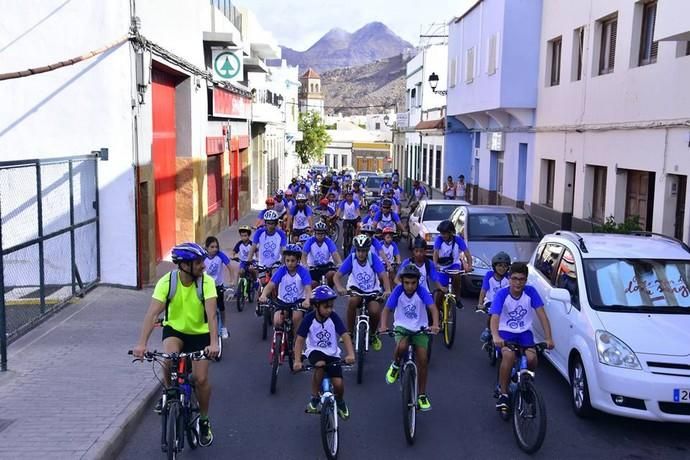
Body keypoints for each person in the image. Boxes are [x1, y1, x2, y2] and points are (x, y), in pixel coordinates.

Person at [132, 242, 219, 447]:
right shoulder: (167, 282)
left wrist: (214, 343)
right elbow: (152, 314)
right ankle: (170, 392)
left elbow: (212, 315)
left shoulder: (206, 283)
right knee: (168, 360)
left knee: (200, 378)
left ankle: (204, 420)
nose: (203, 266)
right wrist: (141, 344)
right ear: (184, 265)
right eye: (198, 263)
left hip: (200, 334)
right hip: (175, 331)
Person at [490, 262, 554, 411]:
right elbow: (494, 317)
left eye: (522, 279)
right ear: (509, 279)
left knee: (532, 359)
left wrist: (549, 338)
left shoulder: (530, 292)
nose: (518, 282)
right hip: (505, 332)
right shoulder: (502, 294)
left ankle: (526, 386)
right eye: (514, 278)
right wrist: (495, 336)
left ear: (526, 280)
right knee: (509, 356)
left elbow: (542, 316)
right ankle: (503, 393)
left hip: (524, 333)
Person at [379, 264, 439, 411]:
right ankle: (395, 365)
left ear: (417, 282)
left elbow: (433, 308)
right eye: (406, 283)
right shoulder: (398, 291)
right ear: (402, 281)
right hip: (402, 326)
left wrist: (436, 324)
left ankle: (422, 395)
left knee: (423, 359)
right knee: (402, 346)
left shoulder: (422, 291)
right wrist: (383, 325)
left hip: (420, 327)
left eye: (413, 283)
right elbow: (387, 309)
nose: (410, 286)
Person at [293, 285, 355, 420]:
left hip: (332, 354)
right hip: (314, 351)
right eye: (326, 307)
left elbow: (344, 335)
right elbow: (299, 340)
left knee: (338, 384)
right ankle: (314, 398)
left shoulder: (333, 317)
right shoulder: (309, 319)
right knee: (320, 365)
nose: (329, 310)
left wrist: (351, 354)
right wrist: (297, 360)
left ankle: (340, 402)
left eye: (331, 306)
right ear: (316, 306)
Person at [334, 235, 391, 351]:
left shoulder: (373, 258)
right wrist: (340, 287)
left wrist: (387, 289)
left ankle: (373, 335)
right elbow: (337, 276)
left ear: (368, 250)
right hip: (356, 288)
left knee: (375, 310)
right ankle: (349, 332)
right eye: (359, 250)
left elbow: (383, 275)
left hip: (372, 290)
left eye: (364, 251)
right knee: (352, 302)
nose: (361, 254)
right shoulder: (351, 258)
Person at [260, 244, 312, 334]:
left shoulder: (303, 271)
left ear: (298, 260)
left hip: (298, 302)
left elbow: (308, 288)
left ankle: (296, 343)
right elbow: (270, 285)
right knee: (277, 322)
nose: (290, 263)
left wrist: (307, 300)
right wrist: (263, 295)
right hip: (282, 302)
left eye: (293, 261)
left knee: (296, 318)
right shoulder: (281, 270)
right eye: (287, 260)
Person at [247, 210, 288, 315]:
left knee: (276, 283)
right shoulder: (259, 233)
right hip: (262, 264)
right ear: (265, 223)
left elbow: (284, 250)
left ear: (276, 223)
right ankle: (259, 302)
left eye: (273, 223)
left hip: (276, 264)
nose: (271, 225)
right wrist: (249, 259)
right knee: (262, 283)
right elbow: (253, 246)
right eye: (269, 223)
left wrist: (284, 263)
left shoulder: (281, 234)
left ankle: (278, 303)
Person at [432, 220, 473, 308]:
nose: (443, 235)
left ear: (451, 232)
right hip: (442, 266)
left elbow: (467, 254)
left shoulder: (458, 240)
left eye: (445, 233)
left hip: (454, 264)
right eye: (441, 233)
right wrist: (435, 265)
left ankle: (457, 298)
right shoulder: (439, 240)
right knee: (440, 292)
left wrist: (470, 266)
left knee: (457, 276)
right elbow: (435, 253)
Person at [477, 252, 511, 343]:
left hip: (505, 303)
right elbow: (483, 290)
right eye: (500, 265)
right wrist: (480, 303)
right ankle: (488, 329)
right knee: (492, 313)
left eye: (505, 266)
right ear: (494, 266)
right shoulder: (489, 275)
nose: (502, 268)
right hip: (490, 300)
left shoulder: (509, 278)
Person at [204, 236, 231, 339]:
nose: (215, 249)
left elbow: (229, 266)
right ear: (206, 248)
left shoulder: (220, 256)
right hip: (206, 287)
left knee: (221, 306)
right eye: (212, 247)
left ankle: (223, 327)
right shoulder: (203, 257)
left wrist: (232, 279)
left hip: (218, 286)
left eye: (216, 246)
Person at [302, 221, 342, 287]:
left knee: (332, 274)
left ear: (325, 233)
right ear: (314, 233)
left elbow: (335, 253)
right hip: (313, 267)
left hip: (326, 266)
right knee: (312, 284)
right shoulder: (310, 241)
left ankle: (330, 288)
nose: (320, 235)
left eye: (322, 233)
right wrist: (305, 265)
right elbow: (304, 254)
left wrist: (340, 263)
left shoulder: (328, 241)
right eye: (318, 233)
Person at [231, 225, 255, 298]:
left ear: (249, 236)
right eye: (242, 236)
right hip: (243, 262)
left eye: (245, 235)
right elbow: (234, 251)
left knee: (252, 269)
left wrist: (256, 258)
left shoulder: (251, 244)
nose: (243, 237)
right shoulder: (239, 244)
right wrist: (233, 256)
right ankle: (238, 289)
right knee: (240, 272)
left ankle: (255, 281)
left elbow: (256, 251)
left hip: (251, 261)